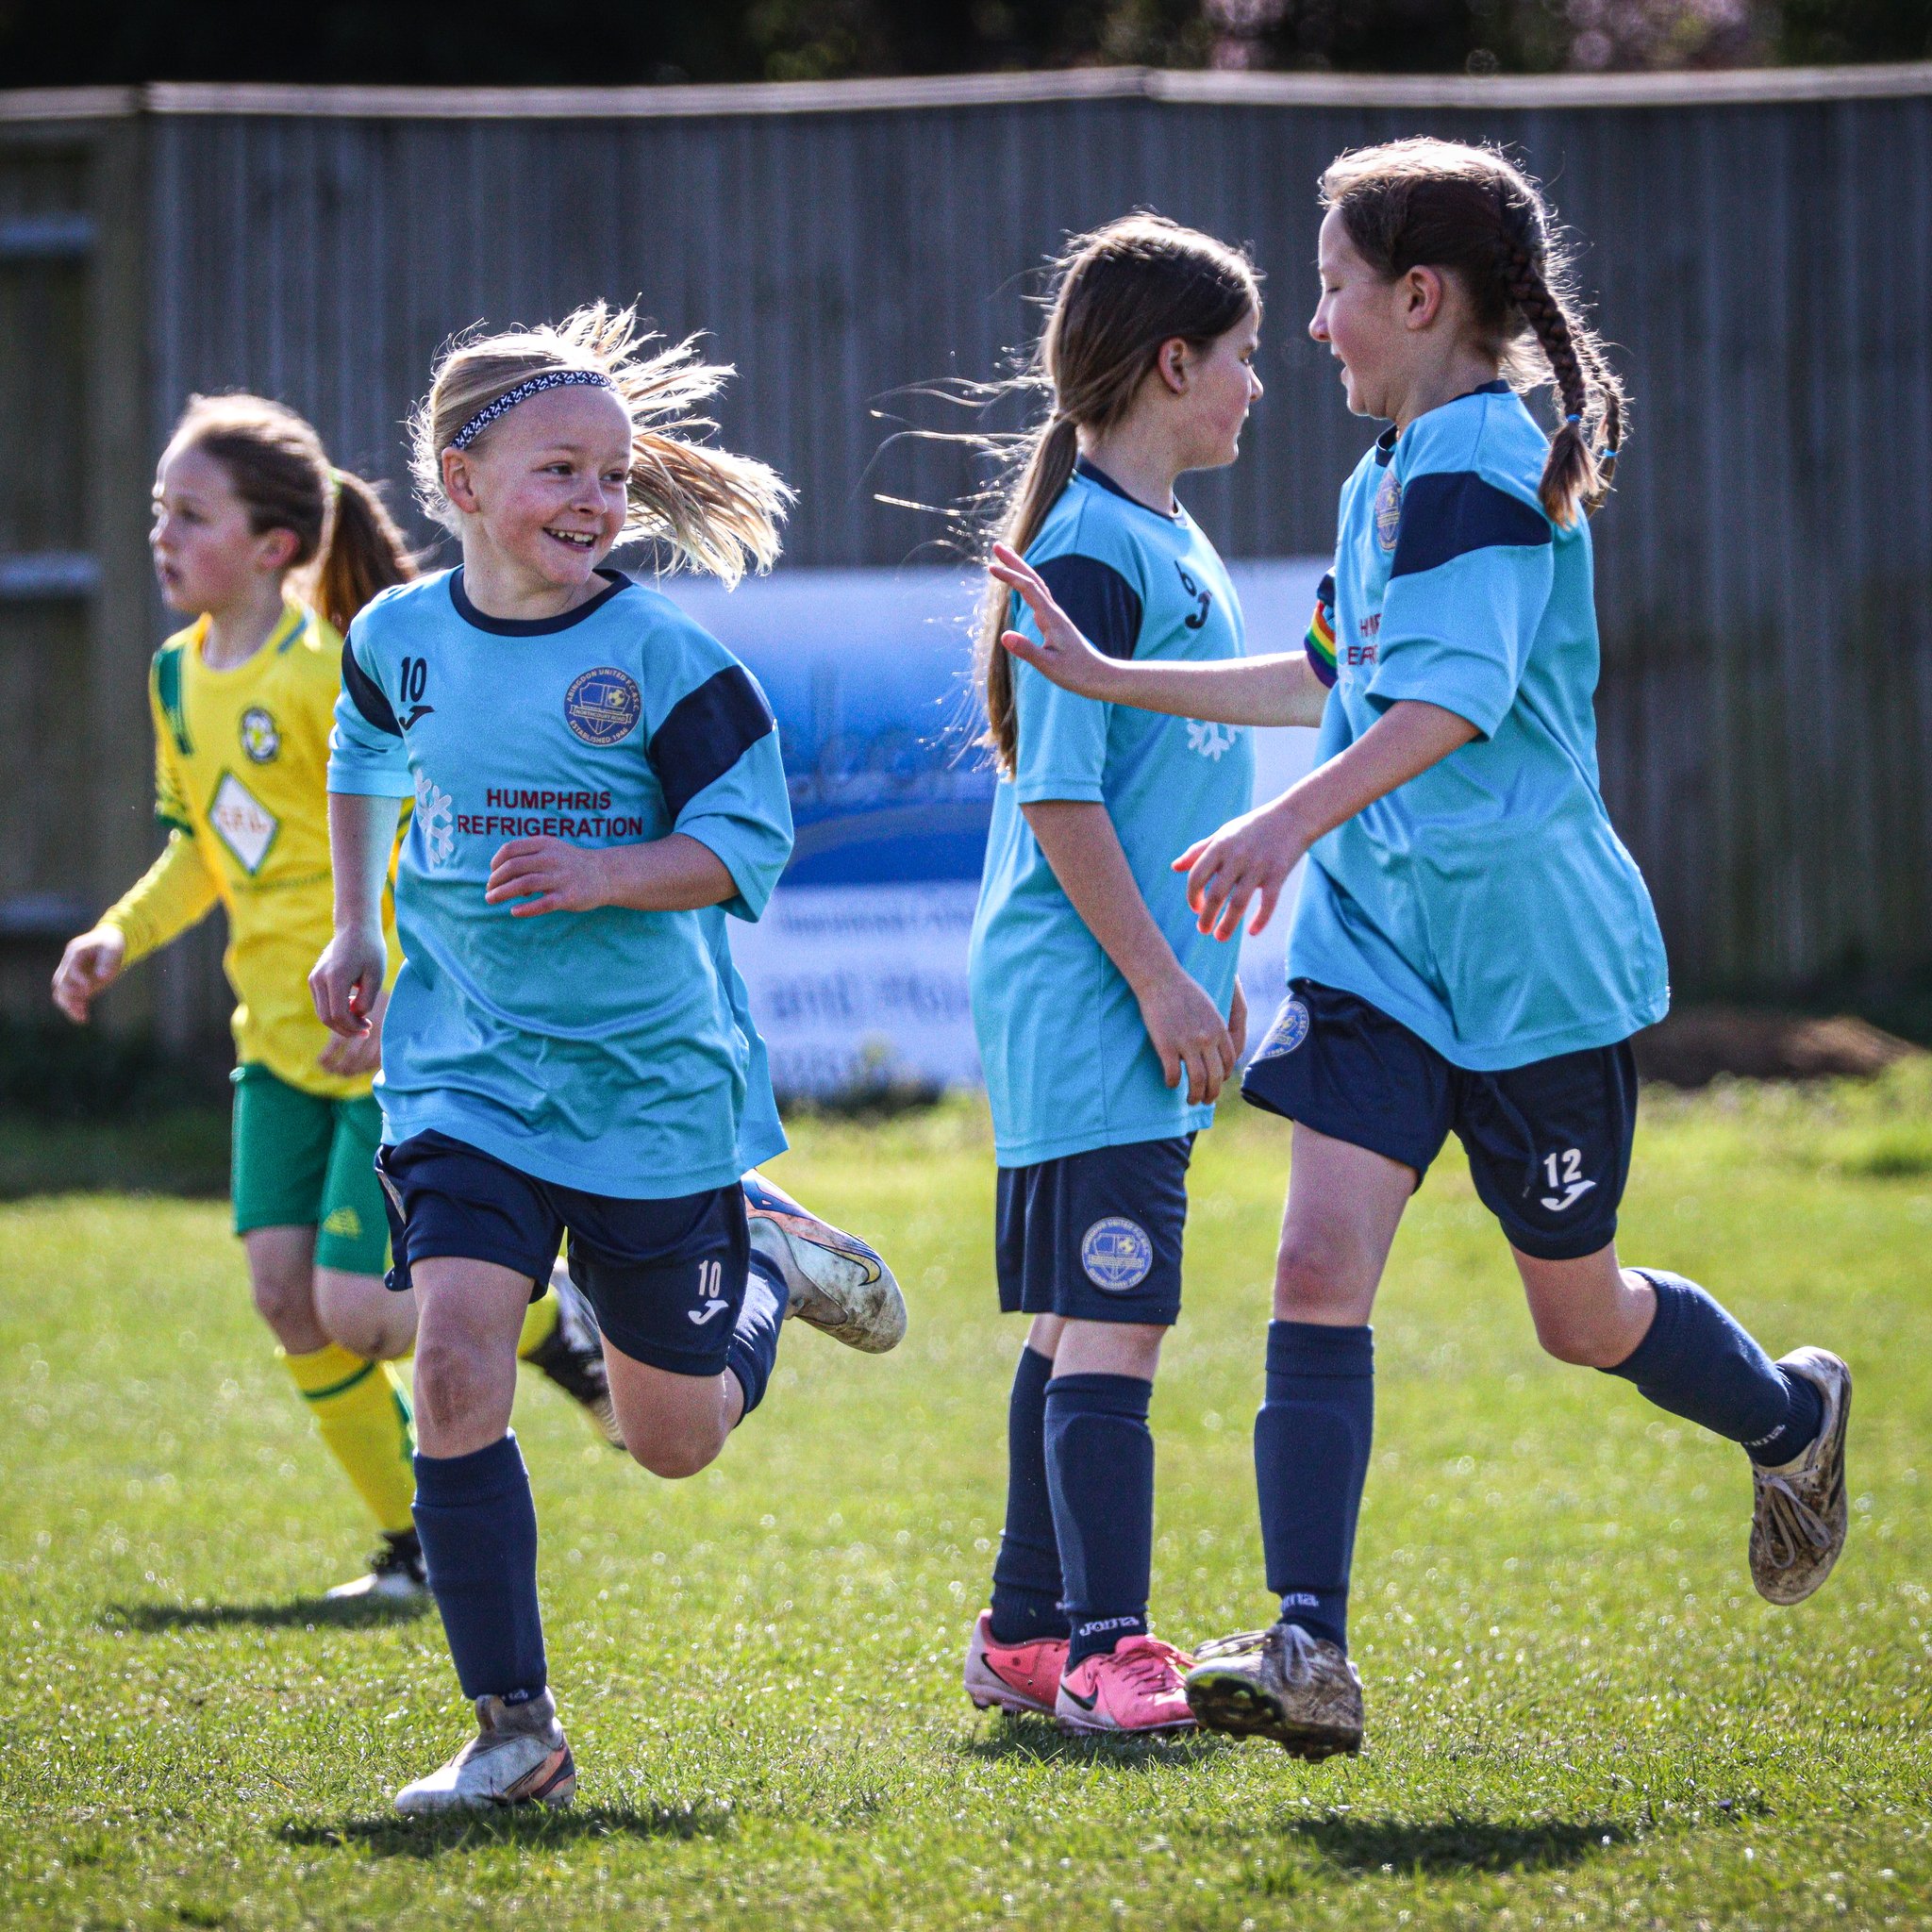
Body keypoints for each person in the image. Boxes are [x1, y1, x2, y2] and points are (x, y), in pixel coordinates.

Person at [991, 139, 1851, 1761]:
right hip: (1378, 951)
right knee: (1312, 1268)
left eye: (1325, 288)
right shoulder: (1380, 480)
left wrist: (1276, 828)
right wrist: (1109, 683)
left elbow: (1445, 709)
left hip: (1528, 969)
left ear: (1415, 294)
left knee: (1575, 1312)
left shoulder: (1482, 467)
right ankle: (1306, 1644)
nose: (1310, 324)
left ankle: (1786, 1415)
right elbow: (1326, 679)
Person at [314, 303, 901, 1815]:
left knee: (675, 1443)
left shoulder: (662, 655)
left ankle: (761, 1256)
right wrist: (356, 933)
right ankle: (515, 1731)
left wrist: (604, 872)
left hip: (653, 1089)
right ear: (458, 479)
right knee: (453, 1361)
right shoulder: (394, 638)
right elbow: (363, 759)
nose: (596, 504)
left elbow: (745, 844)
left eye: (615, 479)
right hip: (467, 1076)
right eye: (561, 471)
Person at [50, 393, 618, 1602]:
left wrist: (407, 987)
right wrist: (116, 935)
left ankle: (539, 1316)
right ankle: (414, 1546)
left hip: (376, 1039)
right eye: (159, 510)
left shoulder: (328, 673)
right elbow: (205, 848)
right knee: (282, 1298)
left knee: (357, 1307)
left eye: (189, 515)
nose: (162, 535)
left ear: (271, 546)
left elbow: (412, 832)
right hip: (274, 1046)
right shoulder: (170, 679)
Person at [960, 216, 1264, 1736]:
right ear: (1170, 363)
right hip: (1089, 1004)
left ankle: (1027, 1636)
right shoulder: (1088, 547)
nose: (1257, 385)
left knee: (1073, 1320)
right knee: (1119, 1319)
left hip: (1107, 999)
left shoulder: (1149, 534)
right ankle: (1108, 1650)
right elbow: (1062, 801)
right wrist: (1160, 981)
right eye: (1241, 356)